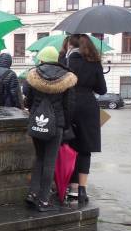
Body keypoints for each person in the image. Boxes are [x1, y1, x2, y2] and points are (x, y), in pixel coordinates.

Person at [21, 46, 77, 211]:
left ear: (43, 59)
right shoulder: (67, 78)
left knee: (39, 158)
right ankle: (44, 200)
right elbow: (69, 106)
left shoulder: (33, 75)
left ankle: (32, 194)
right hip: (56, 124)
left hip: (37, 122)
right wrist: (64, 124)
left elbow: (28, 101)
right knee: (50, 162)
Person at [64, 34, 107, 205]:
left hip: (70, 105)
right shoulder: (94, 63)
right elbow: (102, 90)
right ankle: (82, 190)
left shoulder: (66, 61)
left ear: (71, 46)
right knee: (85, 149)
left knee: (69, 146)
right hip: (89, 107)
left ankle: (71, 187)